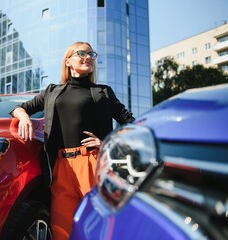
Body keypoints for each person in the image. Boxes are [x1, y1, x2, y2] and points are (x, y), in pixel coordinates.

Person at [10, 41, 135, 240]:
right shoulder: (52, 91)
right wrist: (24, 117)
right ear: (68, 61)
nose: (88, 57)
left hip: (93, 163)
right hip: (61, 167)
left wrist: (106, 144)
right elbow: (19, 108)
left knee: (98, 227)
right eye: (82, 53)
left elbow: (131, 123)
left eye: (91, 55)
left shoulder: (103, 92)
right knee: (61, 229)